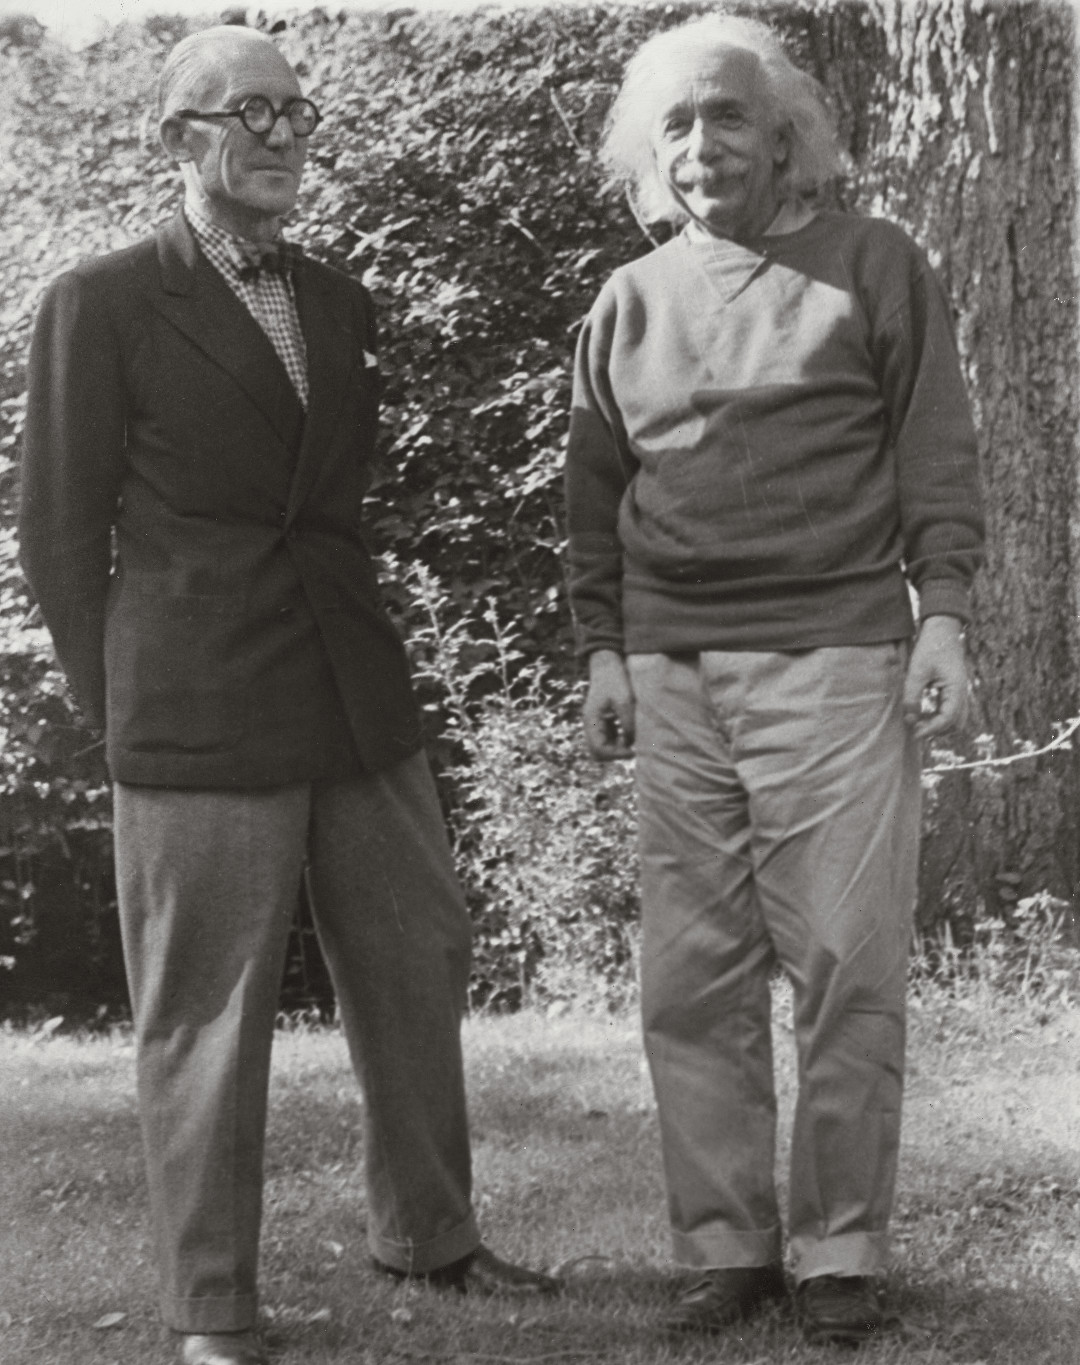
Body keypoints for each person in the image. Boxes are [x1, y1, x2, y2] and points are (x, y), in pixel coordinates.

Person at [19, 25, 558, 1365]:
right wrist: (126, 702)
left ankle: (431, 1235)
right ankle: (213, 1306)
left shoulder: (338, 298)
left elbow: (333, 510)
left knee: (419, 948)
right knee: (206, 1005)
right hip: (194, 708)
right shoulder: (101, 300)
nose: (280, 134)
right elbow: (56, 535)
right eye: (246, 111)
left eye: (295, 111)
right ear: (177, 138)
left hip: (351, 689)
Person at [565, 13, 984, 1347]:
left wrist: (946, 617)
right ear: (650, 150)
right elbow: (593, 498)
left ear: (787, 133)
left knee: (847, 965)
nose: (701, 146)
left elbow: (937, 455)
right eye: (676, 124)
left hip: (841, 661)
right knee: (690, 979)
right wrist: (603, 651)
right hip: (673, 676)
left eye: (728, 115)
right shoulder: (625, 303)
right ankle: (727, 1248)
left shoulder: (873, 265)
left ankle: (840, 1250)